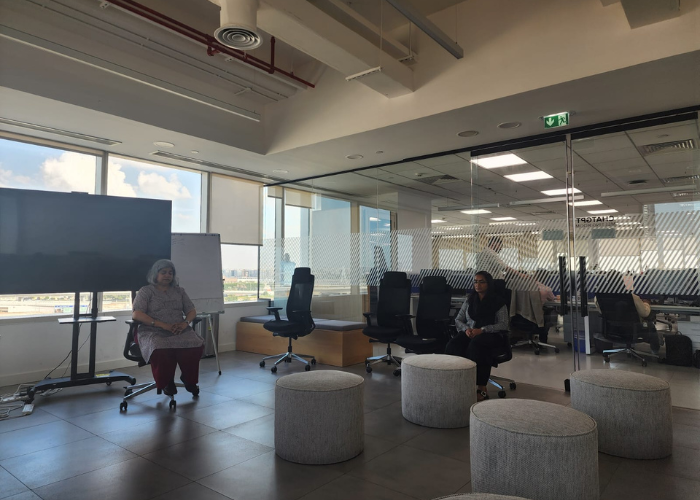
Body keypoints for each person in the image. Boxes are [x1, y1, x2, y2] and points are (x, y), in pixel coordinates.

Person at [132, 259, 204, 396]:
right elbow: (137, 314)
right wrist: (163, 325)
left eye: (170, 273)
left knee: (195, 343)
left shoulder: (179, 291)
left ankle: (188, 379)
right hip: (153, 330)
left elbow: (191, 310)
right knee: (160, 347)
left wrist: (185, 323)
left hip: (179, 329)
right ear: (155, 274)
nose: (167, 275)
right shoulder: (146, 291)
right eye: (163, 272)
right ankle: (166, 381)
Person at [445, 271, 509, 401]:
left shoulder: (498, 301)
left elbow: (503, 324)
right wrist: (466, 329)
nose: (477, 285)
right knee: (453, 344)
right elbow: (458, 320)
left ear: (488, 284)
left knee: (477, 345)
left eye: (481, 282)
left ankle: (481, 386)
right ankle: (455, 380)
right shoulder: (469, 300)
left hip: (492, 335)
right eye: (475, 282)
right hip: (471, 332)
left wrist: (482, 330)